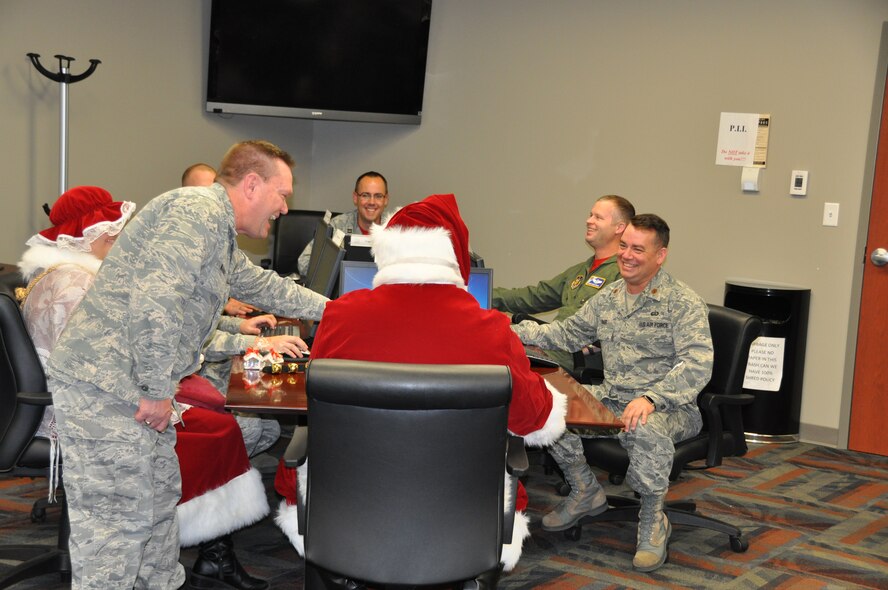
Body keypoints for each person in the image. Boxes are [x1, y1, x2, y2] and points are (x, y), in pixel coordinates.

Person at [46, 141, 329, 589]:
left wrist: (336, 310)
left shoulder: (214, 226)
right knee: (116, 531)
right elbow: (156, 304)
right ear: (252, 185)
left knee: (159, 511)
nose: (284, 207)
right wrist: (158, 391)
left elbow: (258, 283)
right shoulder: (193, 212)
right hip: (110, 387)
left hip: (133, 384)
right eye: (282, 193)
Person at [274, 194, 568, 581]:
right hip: (463, 512)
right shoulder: (491, 328)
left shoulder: (339, 315)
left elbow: (318, 405)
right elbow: (537, 419)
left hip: (346, 504)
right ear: (455, 258)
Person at [17, 185, 275, 590]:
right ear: (98, 237)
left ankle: (175, 569)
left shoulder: (69, 277)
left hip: (106, 400)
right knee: (221, 430)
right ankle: (211, 553)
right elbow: (111, 365)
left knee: (160, 495)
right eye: (119, 238)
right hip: (86, 414)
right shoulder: (76, 286)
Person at [511, 213, 713, 572]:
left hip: (671, 407)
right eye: (624, 246)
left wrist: (651, 398)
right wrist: (509, 330)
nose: (627, 255)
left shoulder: (682, 302)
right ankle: (585, 490)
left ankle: (653, 520)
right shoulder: (610, 297)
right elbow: (566, 334)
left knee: (644, 427)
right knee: (552, 407)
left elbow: (697, 364)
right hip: (615, 395)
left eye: (638, 249)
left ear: (660, 255)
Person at [181, 161, 291, 456]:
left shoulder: (216, 242)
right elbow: (192, 336)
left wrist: (239, 326)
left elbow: (207, 323)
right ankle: (219, 486)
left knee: (269, 427)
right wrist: (258, 342)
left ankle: (229, 478)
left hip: (195, 364)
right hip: (177, 380)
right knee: (253, 424)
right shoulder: (181, 251)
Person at [492, 195, 635, 369]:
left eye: (598, 217)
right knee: (489, 344)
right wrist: (479, 294)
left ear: (619, 228)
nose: (588, 221)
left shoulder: (624, 274)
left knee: (498, 356)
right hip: (549, 346)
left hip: (575, 359)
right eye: (590, 215)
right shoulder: (579, 271)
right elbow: (533, 296)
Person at [295, 171, 391, 276]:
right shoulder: (337, 226)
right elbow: (304, 262)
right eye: (365, 195)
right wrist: (342, 272)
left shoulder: (396, 229)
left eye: (378, 196)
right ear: (355, 198)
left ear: (385, 199)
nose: (372, 202)